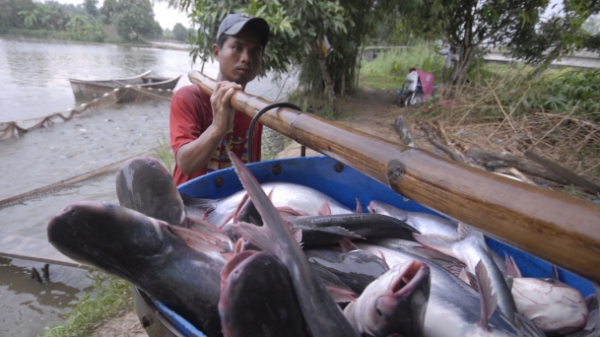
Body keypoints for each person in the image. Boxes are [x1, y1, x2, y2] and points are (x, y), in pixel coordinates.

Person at [169, 13, 270, 185]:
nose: (246, 58)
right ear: (217, 52)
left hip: (233, 206)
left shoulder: (255, 109)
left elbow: (251, 167)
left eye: (255, 51)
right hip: (191, 206)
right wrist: (218, 128)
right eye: (237, 47)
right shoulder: (187, 98)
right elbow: (185, 163)